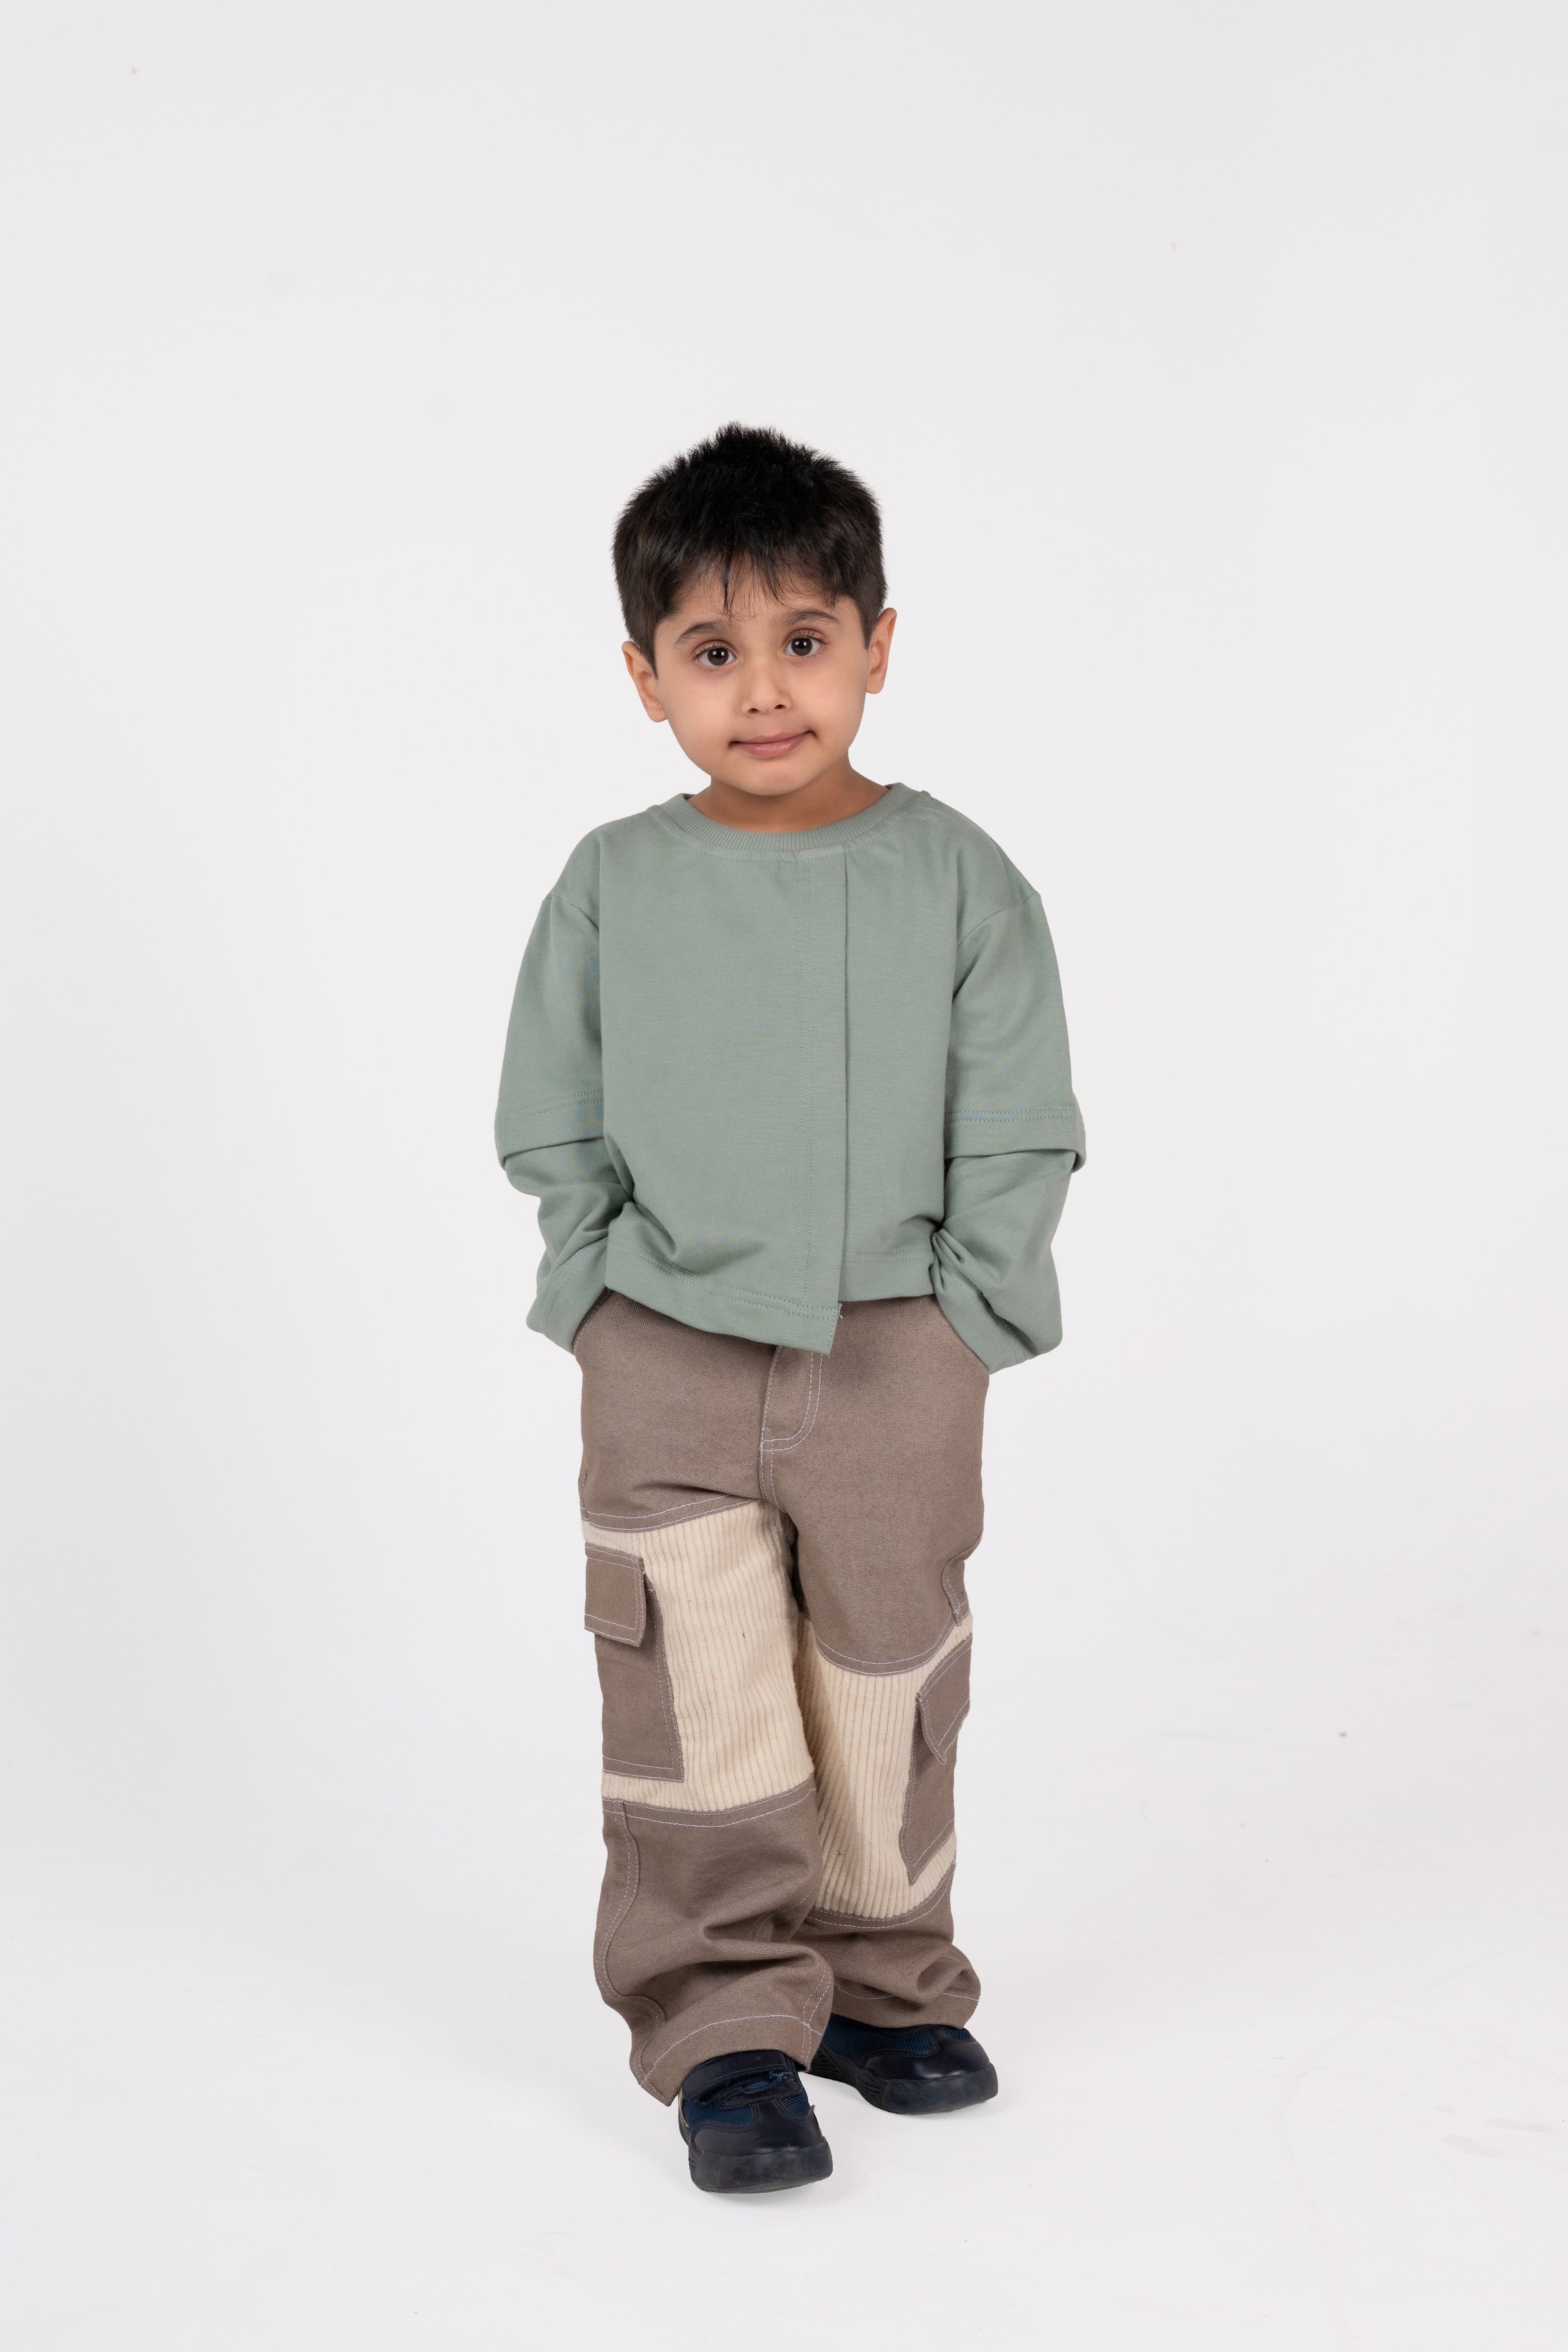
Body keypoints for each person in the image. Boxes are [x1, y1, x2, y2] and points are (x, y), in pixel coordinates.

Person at [494, 423, 1084, 2193]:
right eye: (713, 651)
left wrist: (974, 1318)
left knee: (887, 1681)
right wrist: (599, 1288)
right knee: (701, 1689)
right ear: (645, 677)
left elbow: (1024, 1119)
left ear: (878, 647)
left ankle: (888, 1986)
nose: (764, 690)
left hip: (903, 1354)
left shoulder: (961, 876)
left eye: (805, 641)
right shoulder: (613, 882)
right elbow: (551, 1110)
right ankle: (728, 2022)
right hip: (664, 1357)